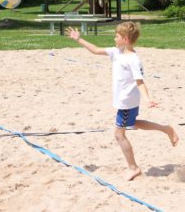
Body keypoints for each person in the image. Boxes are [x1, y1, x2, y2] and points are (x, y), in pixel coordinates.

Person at [66, 22, 179, 181]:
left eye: (117, 36)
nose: (114, 38)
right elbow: (96, 50)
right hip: (126, 101)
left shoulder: (133, 59)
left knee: (119, 135)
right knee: (134, 124)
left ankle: (133, 168)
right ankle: (167, 129)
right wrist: (79, 39)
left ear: (125, 39)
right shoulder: (116, 52)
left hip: (126, 102)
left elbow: (140, 81)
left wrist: (147, 99)